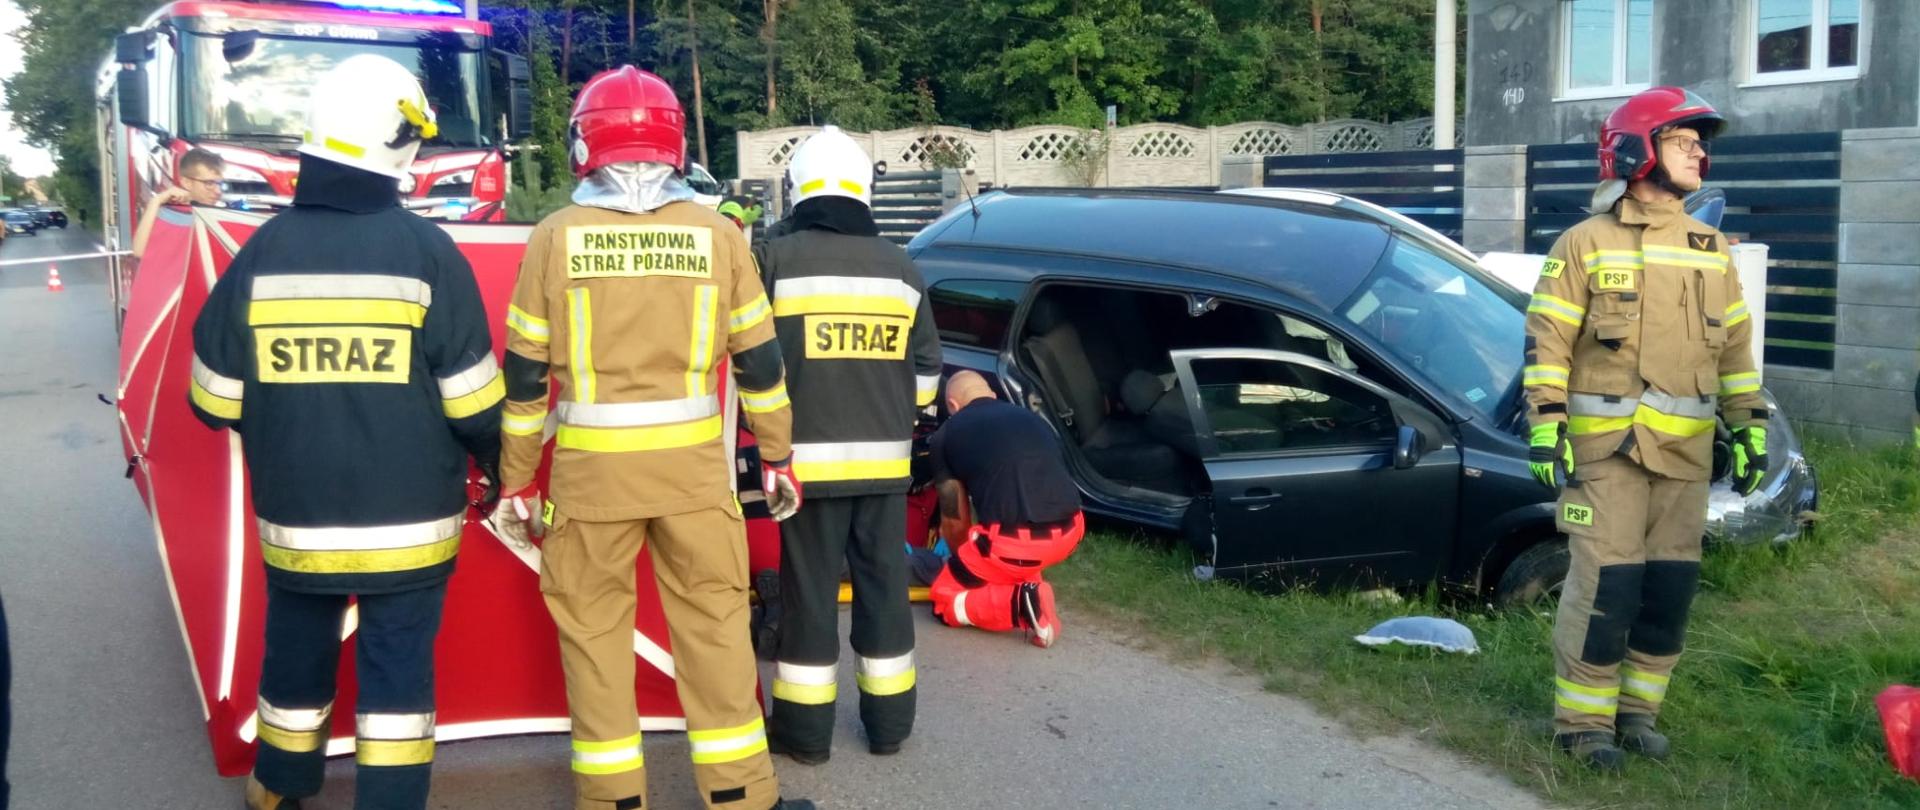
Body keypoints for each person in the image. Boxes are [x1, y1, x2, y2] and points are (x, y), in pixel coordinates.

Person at [487, 65, 812, 810]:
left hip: (591, 484)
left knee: (595, 639)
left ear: (585, 143)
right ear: (675, 145)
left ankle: (612, 801)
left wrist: (516, 480)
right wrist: (777, 456)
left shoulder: (554, 238)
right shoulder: (719, 235)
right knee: (716, 630)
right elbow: (762, 365)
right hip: (693, 481)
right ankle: (741, 795)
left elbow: (526, 378)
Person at [186, 55, 504, 810]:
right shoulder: (429, 253)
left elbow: (212, 400)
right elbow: (471, 403)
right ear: (400, 142)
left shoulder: (261, 254)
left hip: (298, 518)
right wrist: (495, 460)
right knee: (397, 670)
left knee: (295, 651)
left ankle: (278, 785)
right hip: (410, 523)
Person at [1523, 86, 1768, 773]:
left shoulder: (1711, 248)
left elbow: (1735, 354)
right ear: (1636, 150)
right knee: (1608, 586)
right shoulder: (1584, 243)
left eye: (1701, 144)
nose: (1699, 153)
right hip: (1608, 455)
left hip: (1685, 458)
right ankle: (1582, 724)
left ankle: (1638, 715)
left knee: (1668, 589)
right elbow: (1547, 343)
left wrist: (1749, 427)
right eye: (1683, 140)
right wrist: (1546, 425)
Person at [761, 125, 942, 765]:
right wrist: (893, 411)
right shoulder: (903, 268)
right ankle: (889, 728)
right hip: (885, 470)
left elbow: (750, 358)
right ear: (866, 190)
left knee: (810, 597)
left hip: (803, 470)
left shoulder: (775, 261)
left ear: (797, 190)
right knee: (884, 591)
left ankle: (806, 737)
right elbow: (928, 374)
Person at [925, 371, 1083, 647]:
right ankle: (1029, 594)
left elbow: (954, 521)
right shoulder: (1032, 418)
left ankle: (1023, 603)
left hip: (1014, 545)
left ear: (952, 404)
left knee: (943, 600)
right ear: (992, 394)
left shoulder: (946, 435)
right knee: (1008, 559)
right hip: (1072, 530)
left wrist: (966, 564)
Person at [131, 147, 225, 258]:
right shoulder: (171, 215)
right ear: (186, 182)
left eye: (220, 184)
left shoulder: (222, 217)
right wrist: (156, 201)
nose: (218, 191)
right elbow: (139, 251)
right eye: (209, 183)